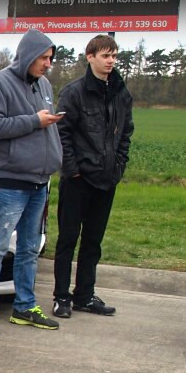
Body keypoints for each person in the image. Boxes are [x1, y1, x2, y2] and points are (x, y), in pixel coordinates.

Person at [0, 28, 64, 335]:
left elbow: (44, 125)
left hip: (40, 182)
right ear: (28, 55)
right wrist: (34, 121)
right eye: (43, 58)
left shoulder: (44, 85)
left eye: (50, 58)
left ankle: (25, 307)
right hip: (9, 182)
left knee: (29, 249)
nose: (48, 64)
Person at [51, 34, 133, 319]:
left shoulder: (121, 93)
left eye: (114, 56)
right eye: (105, 55)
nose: (111, 61)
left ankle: (84, 295)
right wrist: (72, 170)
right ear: (90, 57)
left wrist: (119, 166)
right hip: (78, 179)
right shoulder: (73, 92)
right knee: (68, 239)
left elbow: (126, 132)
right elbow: (62, 133)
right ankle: (61, 297)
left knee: (93, 242)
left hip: (107, 179)